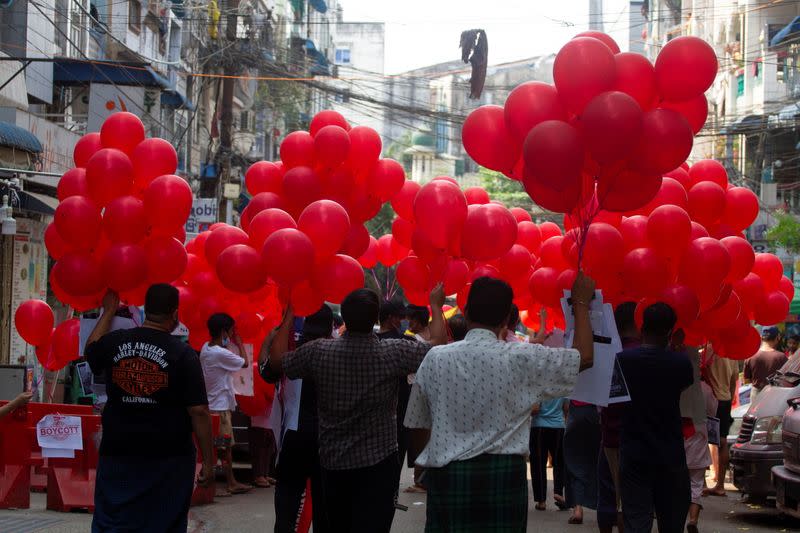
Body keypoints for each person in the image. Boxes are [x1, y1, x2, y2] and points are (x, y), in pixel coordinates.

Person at [404, 274, 596, 532]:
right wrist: (581, 303)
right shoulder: (523, 357)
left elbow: (417, 425)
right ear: (507, 318)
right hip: (505, 476)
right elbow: (584, 358)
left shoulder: (435, 358)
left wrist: (428, 462)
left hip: (448, 475)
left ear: (467, 311)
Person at [265, 286, 447, 533]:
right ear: (375, 318)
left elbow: (276, 362)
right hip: (378, 463)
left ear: (345, 318)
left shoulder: (319, 351)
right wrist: (436, 306)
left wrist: (288, 317)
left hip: (333, 462)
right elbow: (437, 346)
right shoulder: (392, 352)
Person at [85, 287, 213, 533]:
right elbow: (198, 411)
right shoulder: (183, 354)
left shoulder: (116, 341)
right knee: (163, 521)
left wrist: (109, 311)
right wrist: (208, 461)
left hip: (119, 451)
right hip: (168, 458)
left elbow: (91, 349)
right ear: (174, 314)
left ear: (147, 310)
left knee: (115, 520)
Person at [617, 303, 693, 533]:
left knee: (636, 521)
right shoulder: (680, 362)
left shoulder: (623, 360)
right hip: (670, 454)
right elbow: (683, 386)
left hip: (633, 453)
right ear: (669, 332)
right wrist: (677, 348)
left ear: (642, 327)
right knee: (671, 522)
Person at [262, 305, 335, 533]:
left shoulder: (292, 352)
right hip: (329, 437)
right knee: (326, 504)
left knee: (287, 499)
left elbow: (267, 370)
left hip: (294, 435)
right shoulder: (337, 352)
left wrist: (270, 339)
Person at [597, 301, 640, 533]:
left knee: (607, 494)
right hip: (633, 435)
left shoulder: (606, 353)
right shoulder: (640, 355)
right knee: (627, 499)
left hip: (608, 433)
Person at [199, 313, 251, 496]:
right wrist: (239, 343)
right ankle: (231, 482)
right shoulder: (221, 353)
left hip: (211, 405)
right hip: (220, 409)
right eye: (231, 330)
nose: (232, 333)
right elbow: (245, 363)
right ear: (223, 331)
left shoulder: (206, 348)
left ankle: (220, 482)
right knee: (225, 447)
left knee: (216, 447)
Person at [376, 300, 419, 495]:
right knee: (395, 458)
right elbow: (436, 345)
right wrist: (436, 307)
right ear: (391, 319)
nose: (402, 320)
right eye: (400, 317)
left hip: (374, 410)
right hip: (400, 409)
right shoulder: (405, 344)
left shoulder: (372, 341)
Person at [681, 348, 718, 533]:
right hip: (699, 439)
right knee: (696, 483)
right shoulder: (705, 389)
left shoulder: (676, 384)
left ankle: (677, 519)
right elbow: (713, 411)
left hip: (678, 440)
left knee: (676, 484)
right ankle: (693, 519)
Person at [702, 343, 738, 497]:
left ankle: (701, 483)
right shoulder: (732, 353)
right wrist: (729, 401)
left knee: (702, 438)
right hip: (725, 399)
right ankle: (721, 485)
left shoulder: (707, 350)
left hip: (710, 398)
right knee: (723, 442)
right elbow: (733, 380)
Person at [530, 397, 568, 511]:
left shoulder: (539, 382)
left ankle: (541, 501)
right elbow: (566, 408)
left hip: (539, 427)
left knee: (538, 464)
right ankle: (558, 493)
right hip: (558, 427)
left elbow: (535, 409)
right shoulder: (562, 382)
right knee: (559, 463)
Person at [743, 326, 787, 401]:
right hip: (775, 395)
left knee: (754, 413)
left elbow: (746, 381)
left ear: (761, 337)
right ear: (778, 337)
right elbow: (787, 379)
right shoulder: (782, 357)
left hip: (756, 394)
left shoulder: (751, 356)